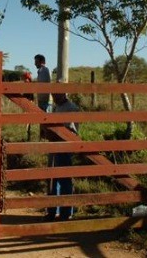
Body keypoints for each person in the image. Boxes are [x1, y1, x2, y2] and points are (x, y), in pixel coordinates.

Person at [44, 91, 79, 221]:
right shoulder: (56, 107)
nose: (54, 98)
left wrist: (56, 133)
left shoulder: (72, 108)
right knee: (53, 179)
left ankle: (66, 212)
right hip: (54, 146)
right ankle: (53, 211)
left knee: (64, 180)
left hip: (64, 147)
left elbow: (72, 132)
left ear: (64, 94)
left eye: (56, 95)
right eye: (53, 95)